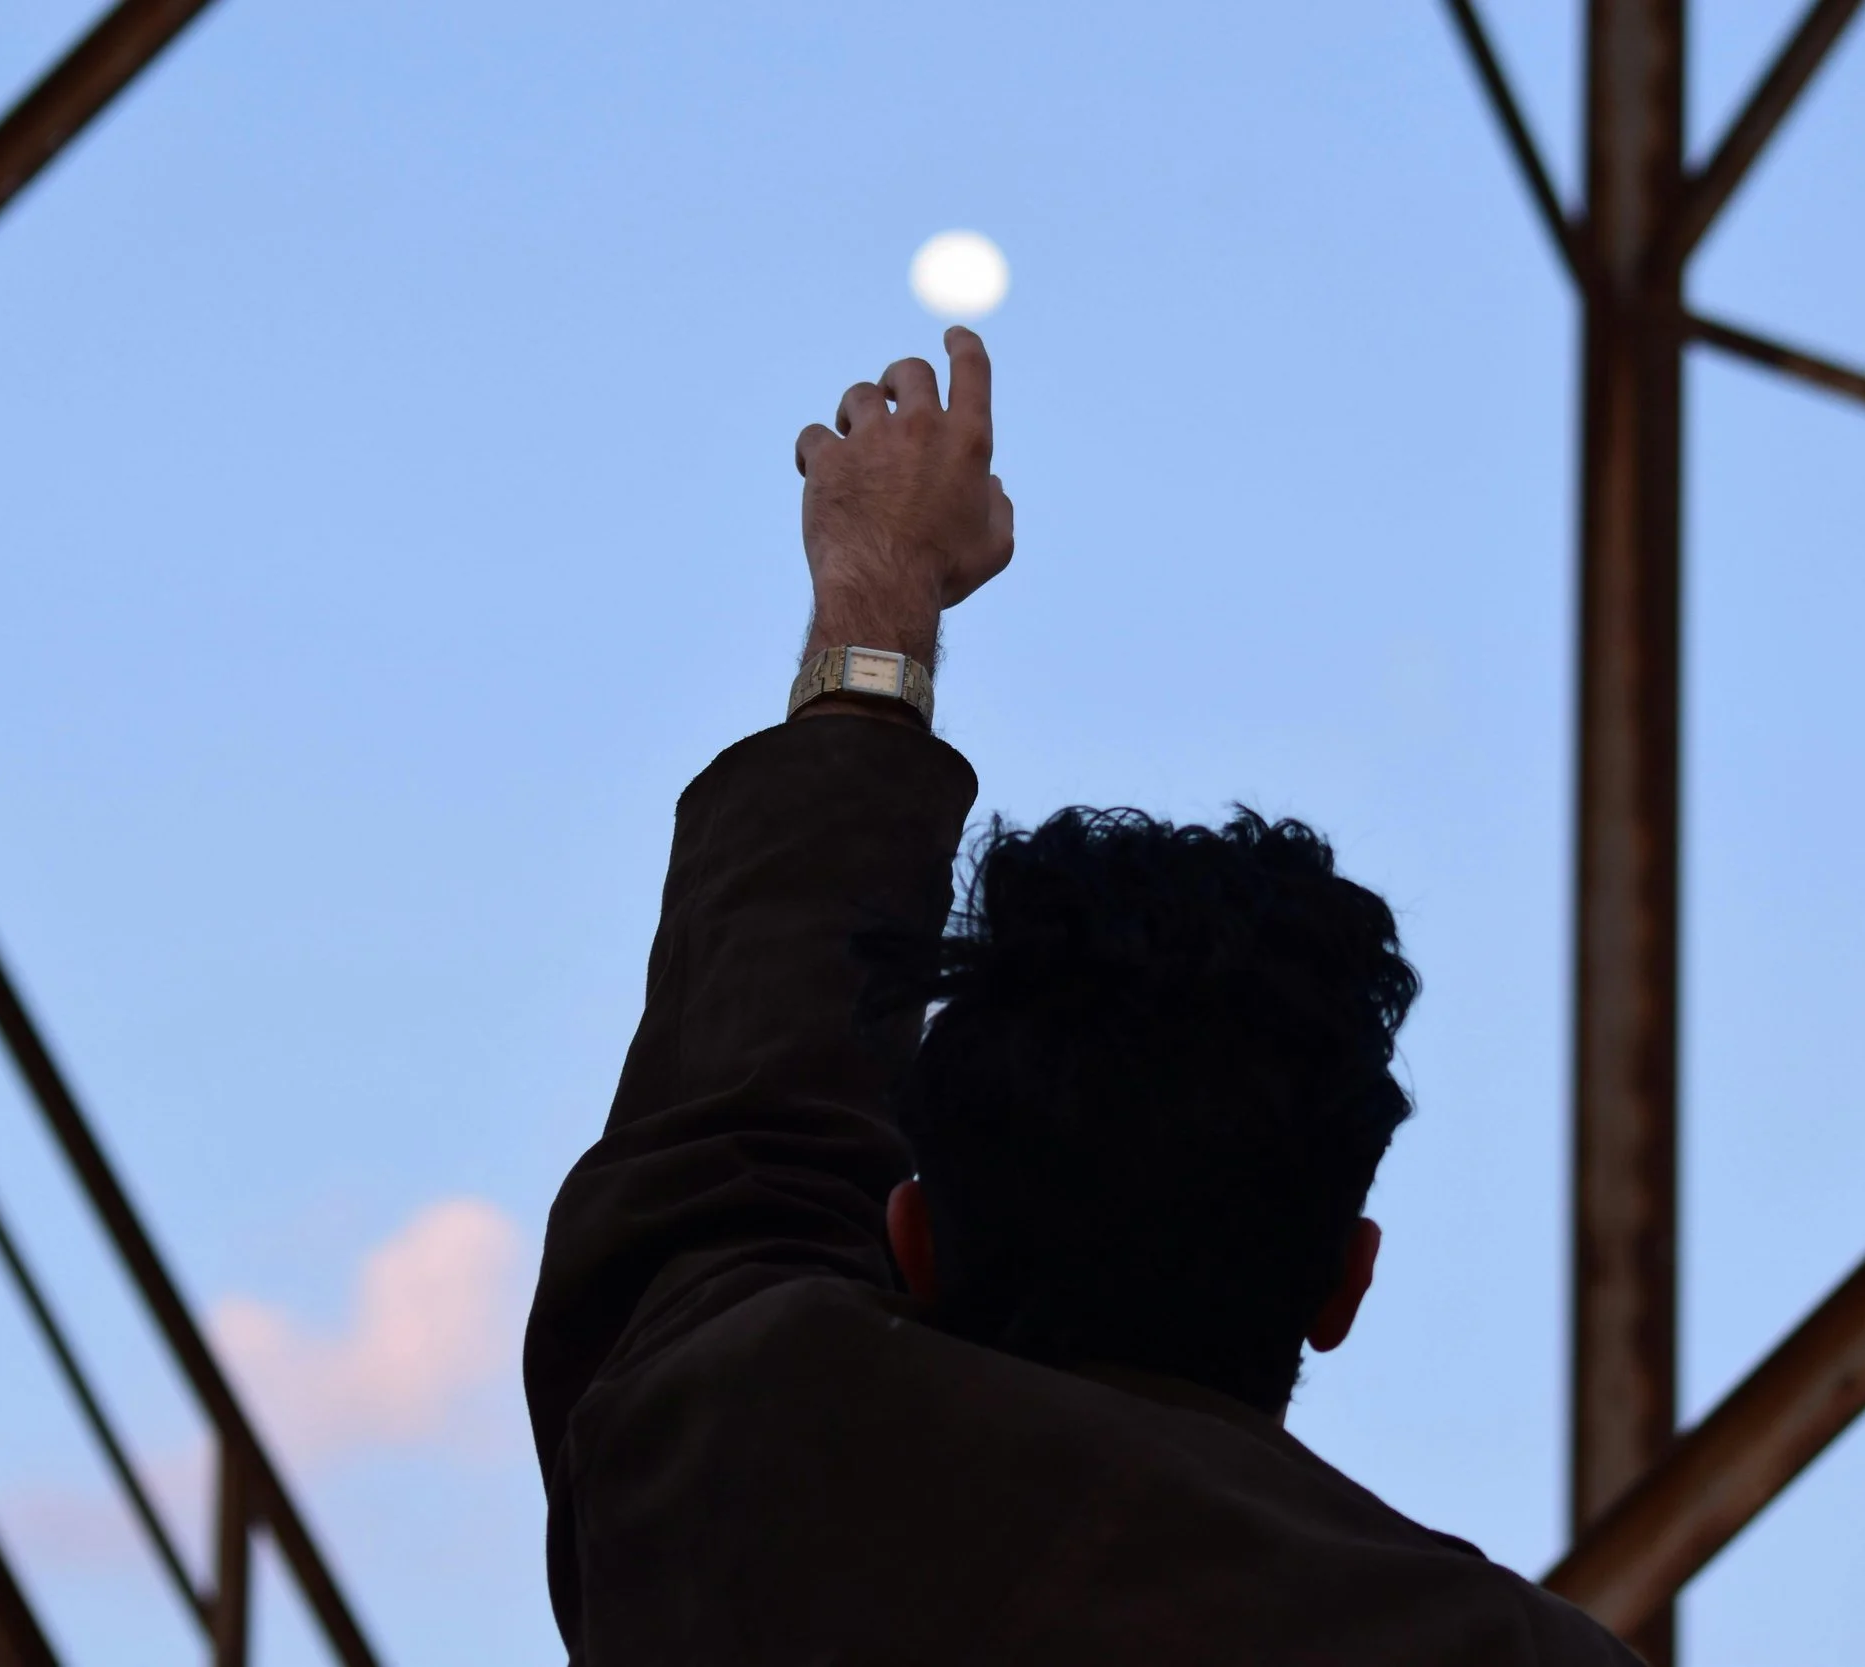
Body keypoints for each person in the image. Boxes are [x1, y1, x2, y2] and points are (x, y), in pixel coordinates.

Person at [524, 328, 1638, 1665]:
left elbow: (729, 1164)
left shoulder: (752, 1466)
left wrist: (878, 598)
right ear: (1344, 1284)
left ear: (915, 1237)